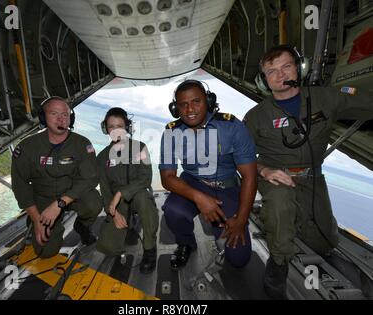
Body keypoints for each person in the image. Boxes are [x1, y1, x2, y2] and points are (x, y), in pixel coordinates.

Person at [244, 45, 373, 299]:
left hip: (313, 178)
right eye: (272, 71)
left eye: (286, 66)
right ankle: (278, 264)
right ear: (264, 80)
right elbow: (241, 157)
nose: (280, 75)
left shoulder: (325, 98)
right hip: (275, 176)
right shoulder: (256, 117)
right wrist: (265, 169)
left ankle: (300, 228)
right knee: (281, 205)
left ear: (299, 68)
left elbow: (366, 103)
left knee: (323, 243)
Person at [159, 79, 257, 271]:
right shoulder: (172, 133)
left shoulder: (231, 126)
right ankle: (186, 243)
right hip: (193, 183)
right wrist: (199, 197)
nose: (189, 109)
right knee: (173, 210)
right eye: (183, 105)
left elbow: (250, 176)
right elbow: (167, 177)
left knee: (239, 260)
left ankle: (224, 228)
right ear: (175, 108)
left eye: (196, 101)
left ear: (209, 101)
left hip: (226, 188)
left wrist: (241, 220)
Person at [11, 96, 103, 258]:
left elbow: (90, 178)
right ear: (43, 117)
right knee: (46, 252)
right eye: (54, 113)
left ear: (71, 118)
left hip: (71, 195)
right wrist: (37, 219)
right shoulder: (27, 147)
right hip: (42, 198)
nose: (61, 119)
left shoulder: (82, 144)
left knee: (94, 203)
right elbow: (21, 185)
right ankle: (35, 222)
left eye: (65, 114)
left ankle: (82, 226)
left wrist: (60, 203)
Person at [96, 107, 159, 274]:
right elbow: (105, 190)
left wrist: (121, 193)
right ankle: (128, 220)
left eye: (120, 126)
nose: (116, 130)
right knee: (107, 247)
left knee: (143, 199)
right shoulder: (102, 157)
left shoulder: (140, 147)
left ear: (127, 128)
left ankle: (150, 248)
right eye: (111, 126)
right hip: (117, 204)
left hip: (138, 194)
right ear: (105, 129)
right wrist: (113, 213)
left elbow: (145, 178)